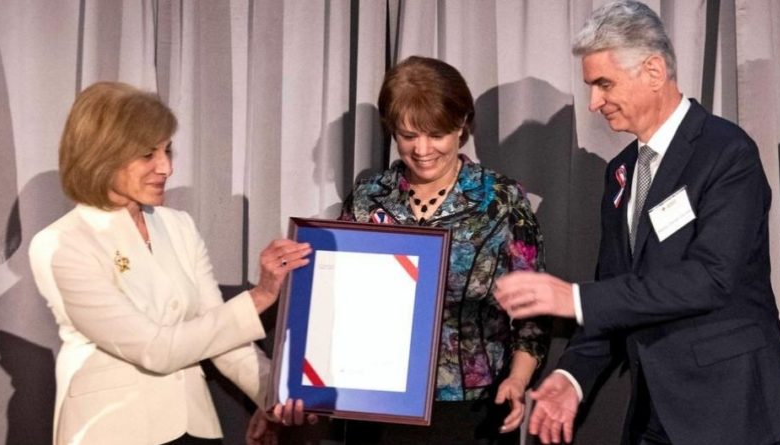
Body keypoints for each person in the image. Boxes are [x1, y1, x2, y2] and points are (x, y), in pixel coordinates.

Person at [493, 2, 780, 445]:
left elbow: (710, 278)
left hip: (728, 410)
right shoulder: (621, 171)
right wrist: (572, 376)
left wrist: (573, 298)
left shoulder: (727, 153)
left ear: (653, 71)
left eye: (604, 84)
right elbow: (618, 291)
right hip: (652, 413)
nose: (594, 103)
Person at [29, 81, 311, 445]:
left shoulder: (179, 226)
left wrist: (277, 395)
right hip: (112, 430)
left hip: (193, 427)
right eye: (148, 154)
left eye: (167, 150)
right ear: (101, 155)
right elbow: (155, 349)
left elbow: (223, 336)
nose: (166, 167)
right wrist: (260, 296)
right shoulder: (62, 243)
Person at [336, 56, 549, 444]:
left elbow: (534, 312)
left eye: (435, 134)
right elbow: (341, 302)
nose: (421, 149)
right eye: (408, 135)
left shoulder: (500, 199)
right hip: (376, 402)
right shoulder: (367, 199)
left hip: (472, 409)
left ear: (462, 125)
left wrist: (518, 380)